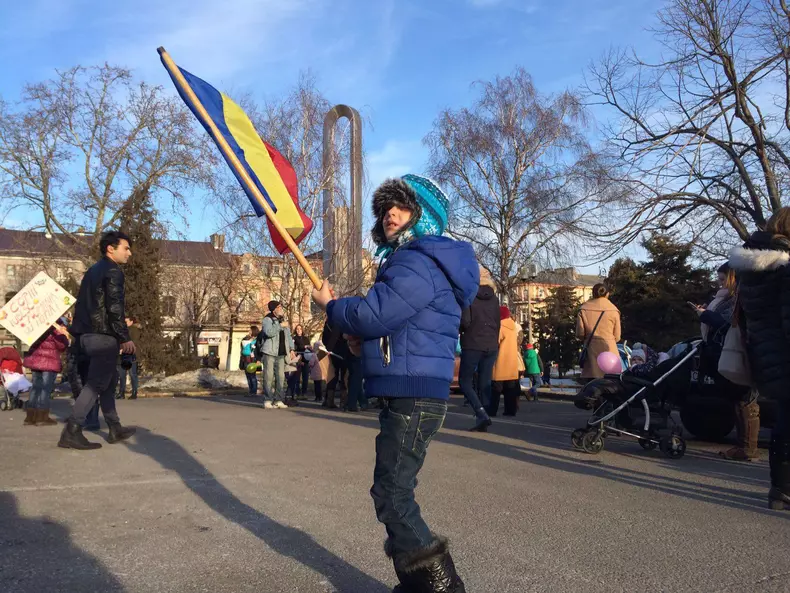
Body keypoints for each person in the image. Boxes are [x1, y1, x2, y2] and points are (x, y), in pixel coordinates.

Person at [311, 174, 477, 591]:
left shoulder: (416, 260)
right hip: (413, 388)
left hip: (413, 393)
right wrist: (361, 340)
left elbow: (374, 315)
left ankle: (442, 587)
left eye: (401, 207)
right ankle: (417, 582)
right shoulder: (419, 262)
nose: (390, 214)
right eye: (385, 208)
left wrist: (333, 306)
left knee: (392, 494)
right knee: (393, 490)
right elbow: (395, 326)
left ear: (424, 217)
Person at [729, 207, 790, 510]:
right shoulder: (785, 268)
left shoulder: (750, 269)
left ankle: (780, 488)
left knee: (784, 420)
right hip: (785, 352)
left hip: (764, 355)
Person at [58, 231, 136, 450]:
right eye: (126, 248)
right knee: (95, 384)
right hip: (103, 336)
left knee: (108, 383)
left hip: (86, 335)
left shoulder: (92, 270)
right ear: (111, 248)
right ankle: (71, 431)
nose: (129, 253)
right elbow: (114, 308)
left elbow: (84, 305)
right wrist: (124, 337)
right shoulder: (113, 271)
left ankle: (114, 427)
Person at [692, 264, 760, 461]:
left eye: (723, 279)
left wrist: (706, 315)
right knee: (741, 399)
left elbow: (728, 323)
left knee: (746, 399)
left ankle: (747, 448)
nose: (719, 283)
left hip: (742, 350)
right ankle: (745, 446)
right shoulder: (734, 296)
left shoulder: (739, 297)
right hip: (736, 350)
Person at [459, 265, 500, 432]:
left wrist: (461, 330)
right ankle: (484, 417)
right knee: (485, 382)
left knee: (465, 381)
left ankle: (481, 413)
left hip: (472, 343)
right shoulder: (494, 298)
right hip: (491, 344)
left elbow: (465, 322)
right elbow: (497, 322)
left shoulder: (469, 295)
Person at [22, 318, 70, 426]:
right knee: (45, 389)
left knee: (35, 387)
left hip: (35, 361)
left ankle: (30, 417)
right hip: (49, 362)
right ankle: (41, 417)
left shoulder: (36, 324)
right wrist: (63, 335)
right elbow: (62, 345)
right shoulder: (56, 327)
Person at [576, 284, 621, 380]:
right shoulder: (614, 310)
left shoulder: (583, 309)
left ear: (593, 294)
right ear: (607, 294)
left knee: (591, 383)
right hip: (609, 351)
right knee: (610, 382)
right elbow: (617, 336)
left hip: (591, 349)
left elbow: (580, 334)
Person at [259, 301, 292, 409]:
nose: (281, 309)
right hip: (270, 352)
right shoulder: (267, 319)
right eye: (279, 307)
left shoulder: (283, 320)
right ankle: (268, 400)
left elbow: (288, 335)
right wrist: (280, 325)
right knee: (268, 377)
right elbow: (269, 332)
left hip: (281, 353)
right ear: (274, 309)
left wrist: (291, 349)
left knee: (281, 377)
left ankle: (278, 400)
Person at [490, 306, 521, 417]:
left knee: (496, 389)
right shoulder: (513, 326)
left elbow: (495, 342)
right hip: (512, 362)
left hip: (501, 361)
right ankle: (510, 411)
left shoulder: (500, 327)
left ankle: (492, 410)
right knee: (510, 390)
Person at [116, 317, 140, 400]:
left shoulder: (134, 330)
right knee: (122, 375)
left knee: (132, 374)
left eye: (126, 321)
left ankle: (134, 392)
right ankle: (121, 392)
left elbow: (134, 342)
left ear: (131, 322)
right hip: (122, 356)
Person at [240, 326, 259, 397]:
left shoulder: (257, 340)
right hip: (245, 358)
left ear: (254, 331)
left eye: (250, 330)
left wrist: (258, 359)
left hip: (252, 360)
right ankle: (250, 391)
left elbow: (258, 350)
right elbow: (242, 347)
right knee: (248, 376)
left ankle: (254, 391)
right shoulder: (246, 338)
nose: (249, 332)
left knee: (252, 376)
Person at [293, 324, 311, 397]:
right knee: (297, 377)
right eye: (297, 329)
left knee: (305, 378)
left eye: (300, 329)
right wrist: (304, 346)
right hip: (298, 359)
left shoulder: (306, 338)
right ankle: (297, 393)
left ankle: (304, 393)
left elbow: (309, 347)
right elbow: (295, 348)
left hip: (306, 359)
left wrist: (308, 347)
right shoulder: (294, 338)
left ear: (302, 330)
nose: (299, 330)